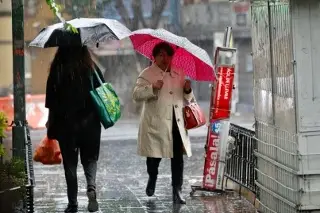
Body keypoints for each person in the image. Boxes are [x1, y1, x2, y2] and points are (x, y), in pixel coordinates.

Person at [132, 42, 194, 204]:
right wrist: (152, 87)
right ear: (154, 57)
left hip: (176, 122)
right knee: (154, 157)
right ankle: (152, 177)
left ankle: (177, 190)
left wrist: (187, 90)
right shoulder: (147, 73)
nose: (164, 58)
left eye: (167, 55)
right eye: (160, 55)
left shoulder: (179, 73)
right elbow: (136, 95)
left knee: (177, 158)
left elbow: (187, 99)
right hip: (156, 123)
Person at [45, 46, 104, 212]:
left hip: (66, 125)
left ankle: (73, 203)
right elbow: (103, 91)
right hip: (90, 123)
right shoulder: (91, 68)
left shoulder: (57, 70)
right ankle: (91, 187)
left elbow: (50, 102)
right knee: (90, 159)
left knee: (70, 164)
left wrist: (51, 124)